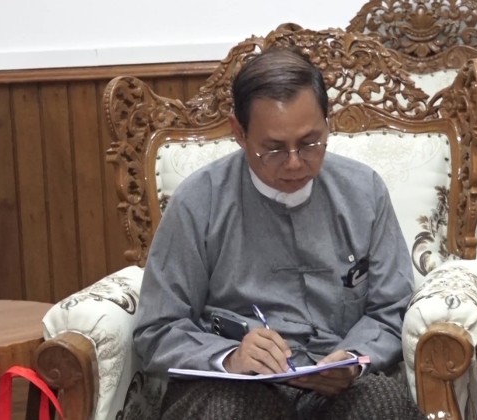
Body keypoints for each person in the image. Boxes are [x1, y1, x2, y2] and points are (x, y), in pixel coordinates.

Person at [133, 47, 424, 419]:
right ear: (239, 133)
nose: (294, 163)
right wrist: (229, 358)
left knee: (383, 405)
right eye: (273, 149)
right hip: (232, 386)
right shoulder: (199, 201)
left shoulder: (364, 191)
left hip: (337, 385)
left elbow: (392, 308)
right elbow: (157, 329)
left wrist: (352, 359)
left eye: (309, 143)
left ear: (328, 123)